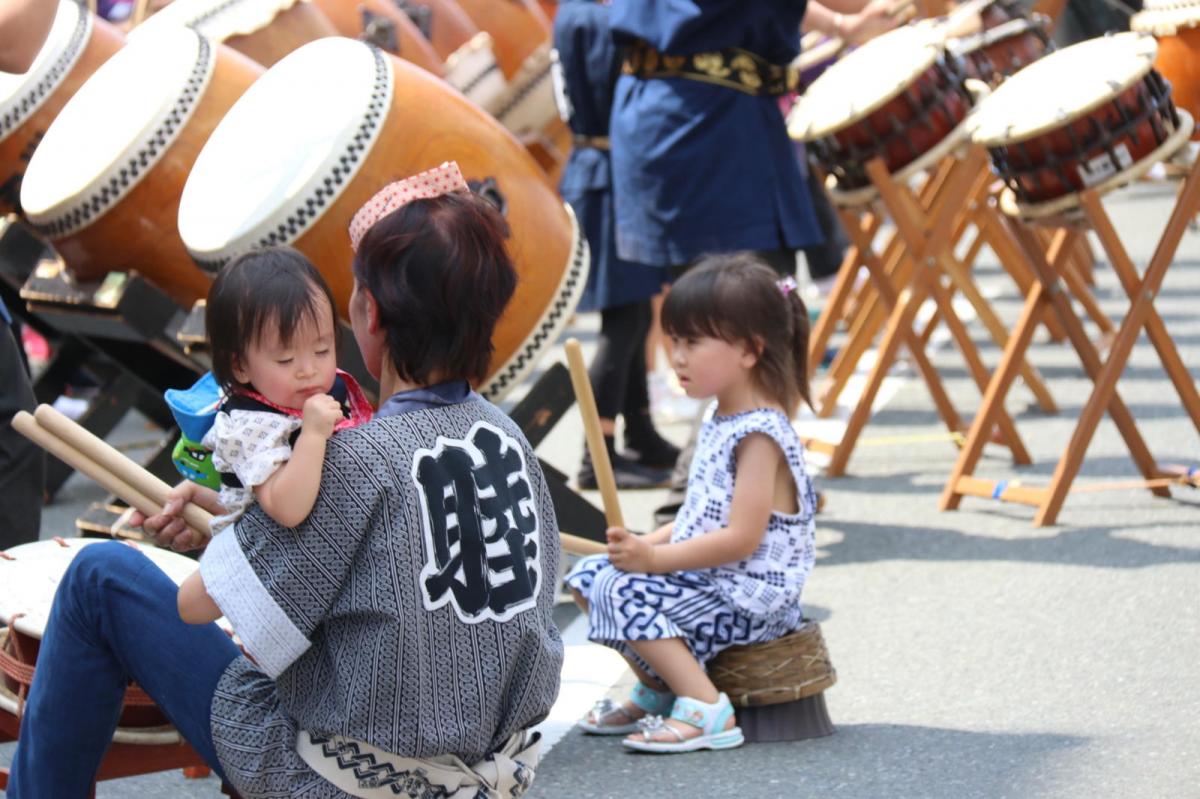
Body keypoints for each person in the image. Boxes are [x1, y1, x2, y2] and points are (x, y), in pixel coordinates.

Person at [7, 162, 564, 798]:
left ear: (371, 315)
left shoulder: (354, 460)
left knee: (98, 579)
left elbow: (199, 607)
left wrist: (227, 544)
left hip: (350, 780)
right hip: (486, 770)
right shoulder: (506, 436)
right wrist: (230, 521)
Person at [565, 253, 818, 753]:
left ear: (749, 351)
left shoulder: (760, 434)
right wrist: (641, 545)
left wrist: (654, 560)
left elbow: (740, 539)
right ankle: (661, 687)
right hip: (712, 582)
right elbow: (695, 518)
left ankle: (705, 707)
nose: (676, 356)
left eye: (691, 342)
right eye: (673, 340)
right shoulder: (720, 417)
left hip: (747, 598)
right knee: (591, 576)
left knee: (622, 591)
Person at [552, 0, 678, 490]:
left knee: (636, 313)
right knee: (624, 319)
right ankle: (596, 455)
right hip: (606, 174)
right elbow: (623, 93)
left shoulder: (575, 11)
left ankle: (641, 432)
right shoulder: (597, 17)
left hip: (597, 170)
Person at [193, 248, 372, 536]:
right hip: (264, 558)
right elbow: (287, 509)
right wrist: (312, 436)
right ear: (240, 366)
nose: (308, 369)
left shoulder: (326, 391)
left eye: (322, 350)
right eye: (285, 360)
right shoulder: (249, 426)